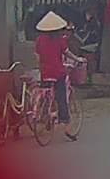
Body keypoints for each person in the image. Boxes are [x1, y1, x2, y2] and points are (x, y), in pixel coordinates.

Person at [34, 11, 84, 141]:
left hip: (45, 73)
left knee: (46, 93)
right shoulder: (59, 40)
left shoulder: (39, 40)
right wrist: (77, 59)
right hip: (58, 73)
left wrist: (42, 65)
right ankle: (66, 123)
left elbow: (37, 56)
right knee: (61, 97)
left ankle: (45, 115)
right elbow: (67, 53)